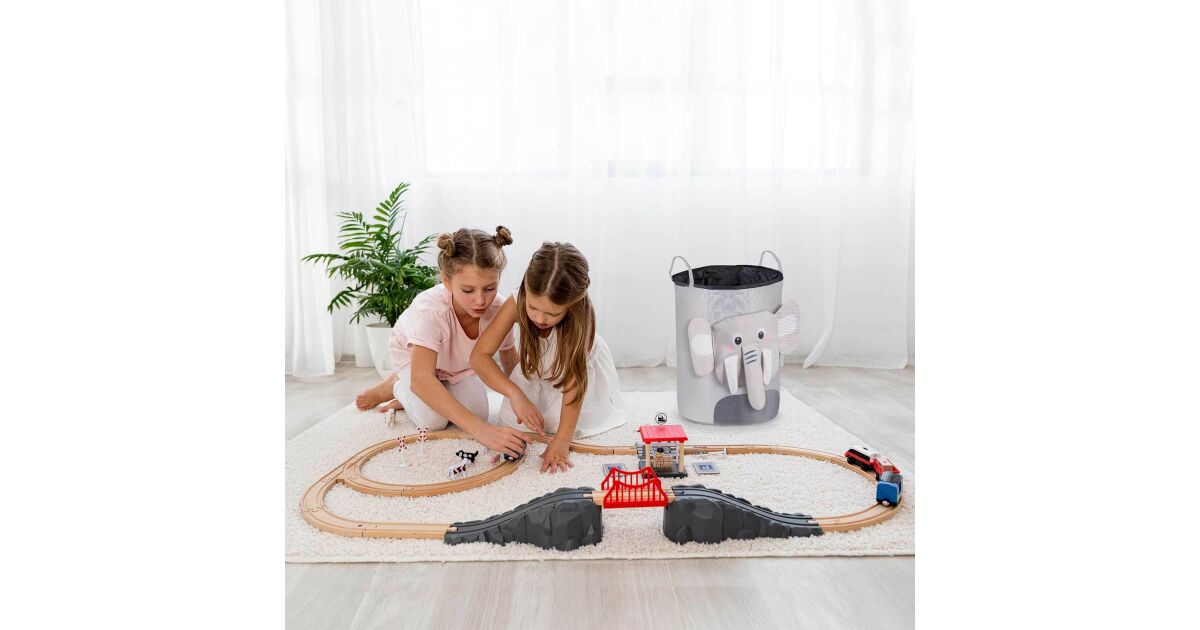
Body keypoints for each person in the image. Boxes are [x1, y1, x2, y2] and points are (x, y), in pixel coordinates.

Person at [470, 241, 623, 473]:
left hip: (574, 379)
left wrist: (563, 439)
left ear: (571, 304)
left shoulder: (580, 320)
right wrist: (515, 394)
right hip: (540, 370)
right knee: (515, 420)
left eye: (553, 313)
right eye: (533, 308)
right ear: (526, 289)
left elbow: (574, 383)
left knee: (565, 427)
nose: (540, 319)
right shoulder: (518, 300)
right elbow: (479, 357)